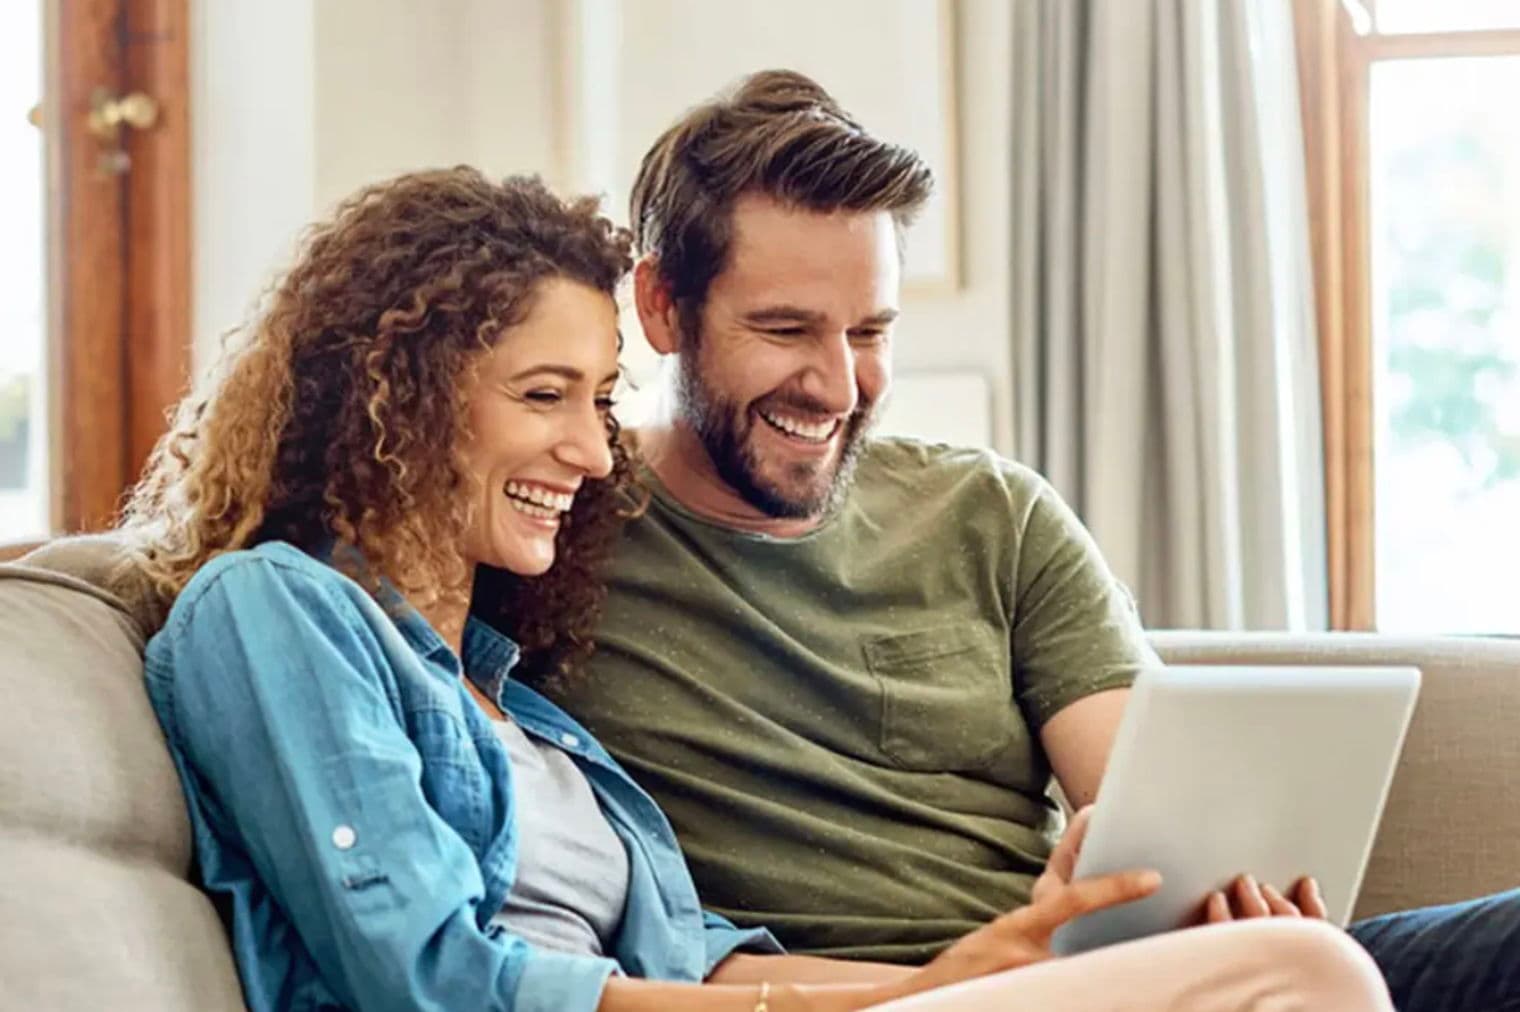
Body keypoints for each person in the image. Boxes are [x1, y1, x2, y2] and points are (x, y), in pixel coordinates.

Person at [118, 167, 1383, 1012]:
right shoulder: (272, 613)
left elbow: (707, 965)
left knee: (1287, 961)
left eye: (597, 399)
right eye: (543, 395)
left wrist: (949, 978)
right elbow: (429, 975)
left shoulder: (519, 699)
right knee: (1298, 973)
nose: (586, 448)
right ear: (394, 395)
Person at [537, 69, 1520, 1011]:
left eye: (869, 332)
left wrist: (1225, 895)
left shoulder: (988, 512)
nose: (837, 386)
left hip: (1097, 977)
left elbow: (1150, 817)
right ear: (664, 308)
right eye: (786, 330)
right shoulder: (549, 528)